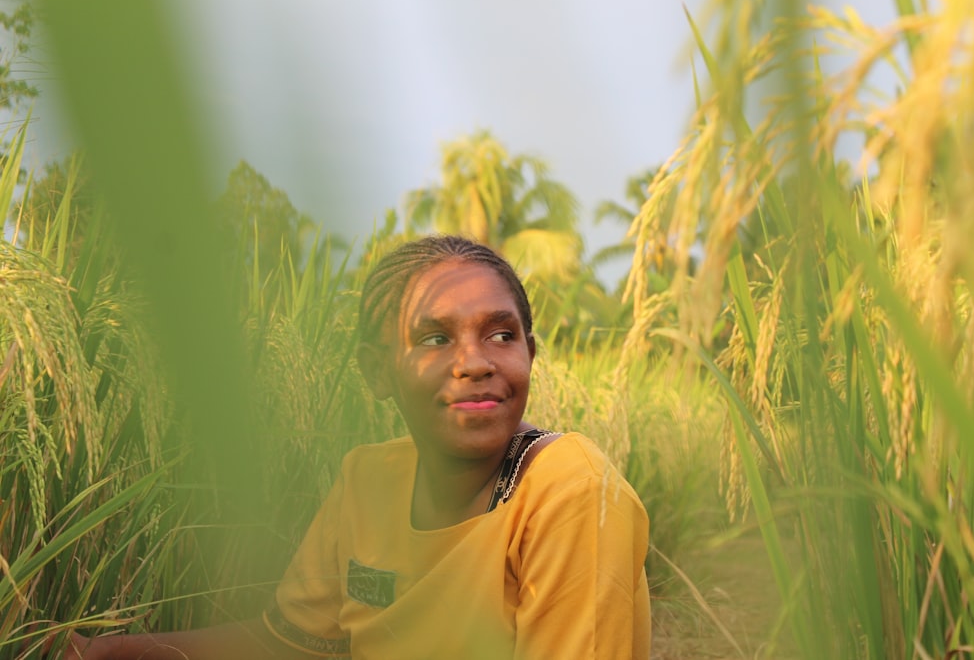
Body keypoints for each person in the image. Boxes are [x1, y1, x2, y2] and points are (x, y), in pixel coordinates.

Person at [45, 235, 651, 659]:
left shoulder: (569, 492)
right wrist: (115, 650)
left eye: (501, 333)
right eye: (435, 337)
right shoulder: (368, 480)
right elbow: (287, 644)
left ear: (529, 353)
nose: (475, 362)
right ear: (376, 372)